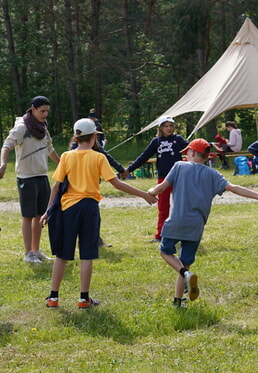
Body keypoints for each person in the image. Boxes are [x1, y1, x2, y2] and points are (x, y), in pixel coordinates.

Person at [40, 118, 157, 309]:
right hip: (89, 208)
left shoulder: (66, 156)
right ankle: (84, 299)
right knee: (87, 254)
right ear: (94, 137)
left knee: (62, 255)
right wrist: (144, 194)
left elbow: (56, 187)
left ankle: (53, 298)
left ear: (76, 137)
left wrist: (47, 211)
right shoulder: (99, 157)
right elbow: (117, 183)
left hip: (67, 208)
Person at [147, 138, 258, 307]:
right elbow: (233, 188)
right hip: (196, 226)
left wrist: (150, 192)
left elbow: (161, 188)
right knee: (185, 261)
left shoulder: (179, 166)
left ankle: (185, 275)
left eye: (187, 152)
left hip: (176, 222)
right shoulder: (213, 174)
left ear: (193, 153)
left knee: (165, 252)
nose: (186, 155)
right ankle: (177, 301)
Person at [0, 95, 60, 264]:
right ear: (33, 109)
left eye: (47, 111)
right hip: (26, 177)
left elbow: (50, 149)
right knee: (28, 215)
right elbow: (6, 145)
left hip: (42, 175)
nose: (45, 114)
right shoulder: (21, 127)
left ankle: (36, 250)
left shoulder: (43, 126)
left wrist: (64, 165)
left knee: (40, 215)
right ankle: (28, 254)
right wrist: (3, 163)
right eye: (42, 111)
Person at [124, 116, 188, 242]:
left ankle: (182, 234)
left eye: (171, 126)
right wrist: (129, 170)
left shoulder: (178, 139)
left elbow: (193, 148)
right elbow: (144, 156)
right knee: (163, 207)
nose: (169, 128)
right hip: (164, 179)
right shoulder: (156, 141)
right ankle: (161, 235)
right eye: (166, 126)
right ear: (161, 128)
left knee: (181, 206)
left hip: (179, 176)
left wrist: (210, 145)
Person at [70, 135, 130, 247]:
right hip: (77, 190)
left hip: (91, 189)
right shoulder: (73, 150)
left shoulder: (96, 147)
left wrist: (121, 169)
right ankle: (86, 240)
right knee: (82, 218)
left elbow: (107, 157)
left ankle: (95, 239)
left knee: (94, 218)